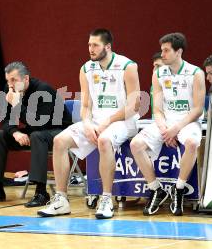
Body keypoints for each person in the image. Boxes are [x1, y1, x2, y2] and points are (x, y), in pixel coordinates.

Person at [37, 28, 140, 219]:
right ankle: (61, 199)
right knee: (59, 141)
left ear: (107, 46)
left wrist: (105, 124)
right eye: (89, 45)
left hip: (123, 121)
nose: (90, 49)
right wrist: (86, 123)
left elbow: (134, 106)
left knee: (104, 140)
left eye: (95, 45)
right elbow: (85, 105)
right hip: (96, 121)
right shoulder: (86, 69)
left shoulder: (127, 66)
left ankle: (107, 198)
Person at [0, 61, 72, 207]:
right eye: (8, 80)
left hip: (59, 131)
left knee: (37, 136)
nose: (10, 84)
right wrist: (15, 132)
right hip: (36, 130)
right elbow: (5, 120)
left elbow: (40, 123)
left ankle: (41, 192)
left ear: (26, 79)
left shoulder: (44, 90)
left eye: (14, 80)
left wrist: (17, 105)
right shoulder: (9, 90)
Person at [130, 33, 205, 216]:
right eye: (162, 50)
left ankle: (178, 189)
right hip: (165, 122)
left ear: (178, 52)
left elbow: (197, 109)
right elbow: (158, 108)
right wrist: (165, 130)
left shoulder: (196, 73)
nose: (162, 54)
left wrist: (176, 129)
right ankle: (156, 189)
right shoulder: (158, 74)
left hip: (188, 121)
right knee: (136, 144)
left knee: (193, 143)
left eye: (166, 50)